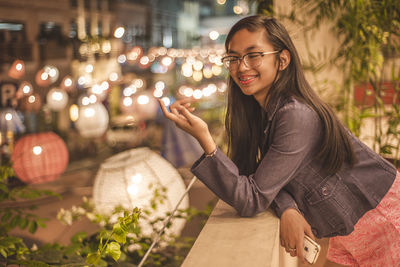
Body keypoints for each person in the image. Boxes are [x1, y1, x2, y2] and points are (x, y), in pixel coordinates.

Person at [158, 15, 400, 266]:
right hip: (363, 232)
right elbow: (264, 177)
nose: (241, 67)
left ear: (282, 60)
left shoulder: (295, 115)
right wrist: (287, 208)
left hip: (386, 222)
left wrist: (204, 138)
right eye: (233, 58)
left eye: (253, 55)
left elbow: (251, 198)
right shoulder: (263, 113)